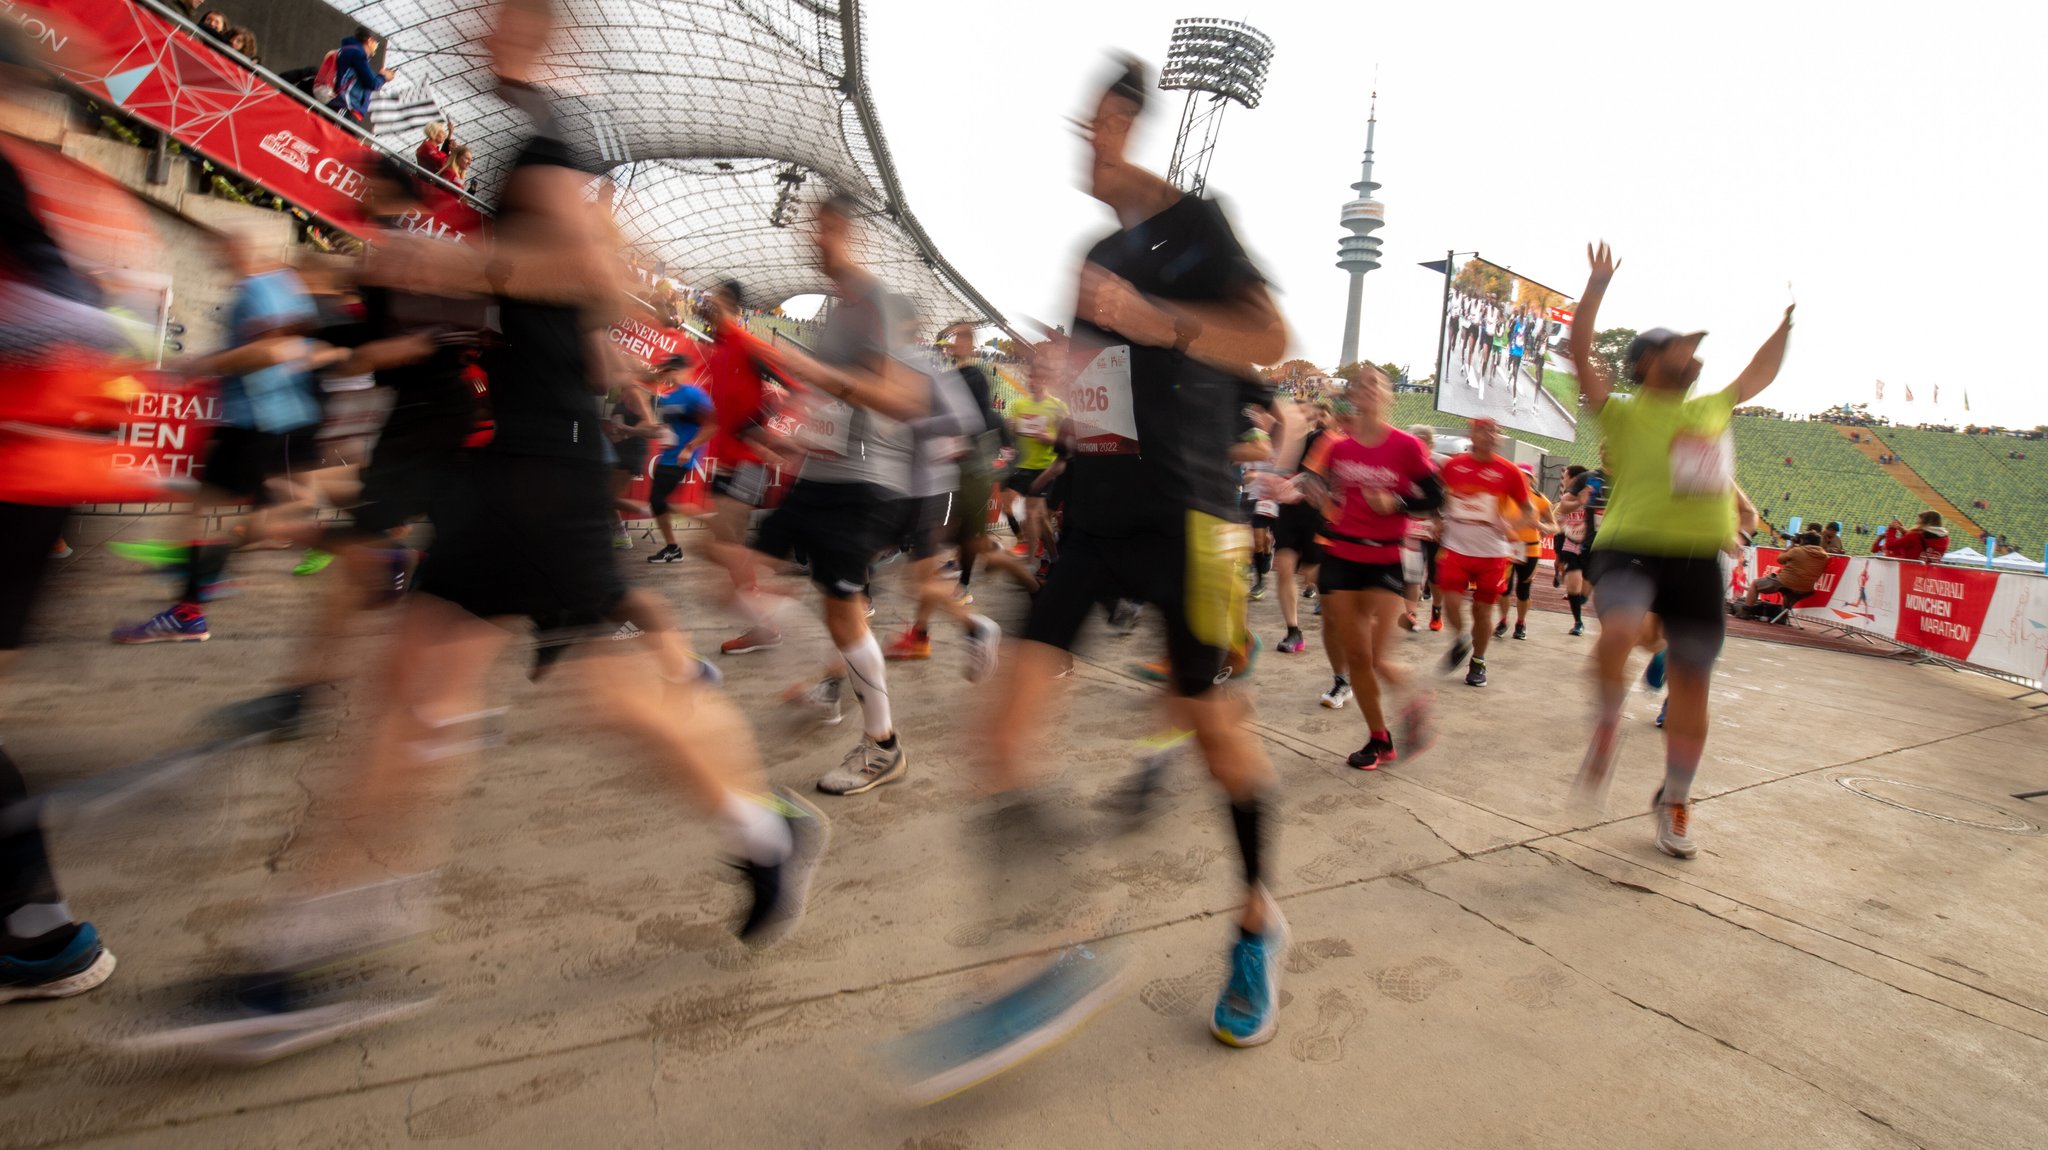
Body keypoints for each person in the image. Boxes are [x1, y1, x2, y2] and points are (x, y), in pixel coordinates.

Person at [132, 0, 826, 1059]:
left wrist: (464, 271)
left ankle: (763, 830)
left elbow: (589, 278)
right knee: (428, 695)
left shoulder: (551, 142)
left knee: (584, 695)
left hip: (538, 476)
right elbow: (594, 297)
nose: (473, 30)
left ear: (537, 29)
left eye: (499, 16)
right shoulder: (545, 148)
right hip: (517, 469)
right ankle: (312, 951)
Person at [976, 55, 1292, 1058]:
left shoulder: (1193, 225)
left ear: (1123, 118)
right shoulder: (1094, 248)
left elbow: (1269, 339)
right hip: (1098, 513)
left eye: (1091, 122)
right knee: (1002, 730)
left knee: (1214, 732)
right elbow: (1104, 396)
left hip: (1189, 521)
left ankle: (1255, 921)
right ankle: (1046, 952)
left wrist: (1151, 320)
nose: (1082, 138)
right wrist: (1062, 386)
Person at [1567, 241, 1794, 860]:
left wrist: (1785, 327)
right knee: (1618, 632)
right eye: (1681, 347)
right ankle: (1608, 722)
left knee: (1693, 684)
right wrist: (1596, 286)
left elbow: (1759, 374)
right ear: (1645, 362)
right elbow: (1580, 350)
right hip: (1630, 548)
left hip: (1698, 559)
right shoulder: (1619, 412)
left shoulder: (1712, 407)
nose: (1694, 355)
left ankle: (1676, 797)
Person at [749, 193, 930, 796]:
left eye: (825, 228)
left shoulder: (878, 302)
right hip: (818, 476)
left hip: (864, 481)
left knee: (844, 612)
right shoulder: (836, 308)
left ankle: (881, 743)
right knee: (738, 567)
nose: (814, 239)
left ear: (852, 234)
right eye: (812, 227)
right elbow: (827, 397)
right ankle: (825, 682)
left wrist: (823, 379)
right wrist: (792, 426)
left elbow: (902, 399)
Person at [110, 228, 331, 645]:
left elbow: (270, 351)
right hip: (275, 419)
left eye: (223, 246)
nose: (220, 255)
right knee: (251, 515)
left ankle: (191, 606)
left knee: (216, 514)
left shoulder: (256, 291)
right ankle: (200, 586)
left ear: (236, 248)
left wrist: (199, 365)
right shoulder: (286, 288)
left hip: (254, 420)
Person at [1299, 371, 1441, 769]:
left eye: (1376, 385)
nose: (1367, 391)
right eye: (1360, 385)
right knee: (1358, 659)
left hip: (1385, 558)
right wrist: (1316, 496)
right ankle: (1380, 739)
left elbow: (1434, 496)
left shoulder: (1407, 446)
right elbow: (1322, 490)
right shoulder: (1339, 448)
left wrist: (1395, 504)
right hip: (1342, 557)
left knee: (1379, 657)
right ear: (1353, 397)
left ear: (1389, 397)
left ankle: (1415, 707)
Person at [1431, 418, 1536, 688]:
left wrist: (1513, 526)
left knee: (1482, 611)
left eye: (1495, 431)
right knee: (1450, 601)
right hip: (1456, 548)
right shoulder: (1454, 466)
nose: (1490, 435)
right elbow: (1437, 496)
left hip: (1492, 554)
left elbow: (1528, 511)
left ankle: (1478, 659)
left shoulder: (1509, 472)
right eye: (1483, 430)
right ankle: (1460, 639)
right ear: (1472, 435)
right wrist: (1437, 519)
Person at [642, 354, 714, 564]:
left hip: (682, 458)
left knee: (657, 500)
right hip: (667, 456)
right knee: (659, 502)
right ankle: (682, 540)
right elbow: (668, 428)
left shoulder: (693, 394)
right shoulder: (669, 397)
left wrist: (690, 448)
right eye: (665, 370)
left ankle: (674, 547)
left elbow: (711, 426)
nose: (666, 374)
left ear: (679, 370)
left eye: (669, 370)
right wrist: (655, 431)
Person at [1003, 370, 1066, 565]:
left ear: (1045, 380)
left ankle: (1032, 563)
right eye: (1030, 377)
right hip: (1021, 466)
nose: (1032, 381)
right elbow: (1010, 431)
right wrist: (1011, 427)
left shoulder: (1058, 406)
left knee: (1033, 514)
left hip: (1044, 468)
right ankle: (1050, 554)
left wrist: (1051, 439)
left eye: (1036, 378)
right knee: (1008, 504)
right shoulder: (1019, 404)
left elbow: (1069, 439)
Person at [1495, 461, 1559, 641]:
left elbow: (1554, 526)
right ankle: (1503, 620)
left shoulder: (1541, 501)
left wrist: (1539, 525)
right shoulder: (1504, 496)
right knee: (1503, 589)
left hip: (1530, 548)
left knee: (1524, 590)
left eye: (1526, 476)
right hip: (1507, 547)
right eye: (1519, 475)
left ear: (1532, 479)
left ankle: (1521, 623)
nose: (1522, 479)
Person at [1554, 454, 1609, 635]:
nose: (1565, 480)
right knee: (1573, 585)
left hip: (1598, 544)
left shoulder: (1609, 486)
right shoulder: (1583, 486)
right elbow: (1560, 516)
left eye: (1566, 477)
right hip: (1573, 543)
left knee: (1586, 588)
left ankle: (1583, 598)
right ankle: (1578, 622)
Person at [1741, 529, 1827, 614]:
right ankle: (1783, 616)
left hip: (1786, 581)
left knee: (1755, 584)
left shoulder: (1797, 551)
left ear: (1804, 541)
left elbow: (1780, 559)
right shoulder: (1824, 556)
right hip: (1805, 589)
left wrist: (1791, 545)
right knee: (1789, 593)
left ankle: (1746, 611)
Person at [330, 26, 393, 128]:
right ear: (370, 41)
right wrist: (383, 77)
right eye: (376, 43)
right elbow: (372, 83)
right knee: (333, 139)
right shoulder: (357, 54)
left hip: (346, 109)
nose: (376, 47)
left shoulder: (351, 51)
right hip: (344, 106)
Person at [1875, 511, 1949, 562]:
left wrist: (1892, 529)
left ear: (1924, 522)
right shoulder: (1945, 538)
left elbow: (1890, 545)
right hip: (1930, 572)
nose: (1916, 523)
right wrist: (1905, 532)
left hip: (1910, 570)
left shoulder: (1915, 535)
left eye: (1918, 521)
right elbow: (1918, 544)